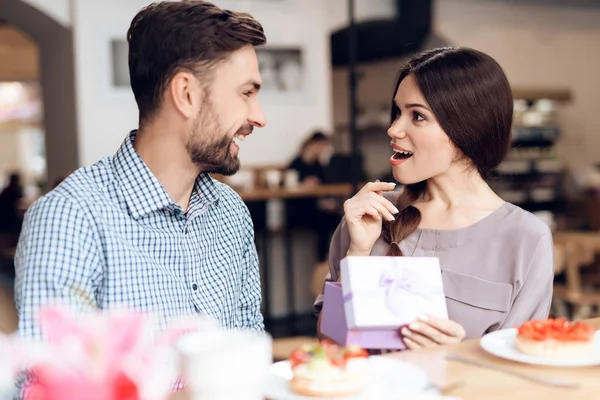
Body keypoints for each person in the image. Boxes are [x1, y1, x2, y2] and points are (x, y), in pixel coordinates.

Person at [15, 0, 268, 341]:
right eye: (246, 93)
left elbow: (248, 346)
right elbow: (49, 385)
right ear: (186, 94)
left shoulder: (231, 213)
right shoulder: (70, 218)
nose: (259, 116)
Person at [315, 47, 554, 349]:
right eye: (398, 112)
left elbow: (520, 375)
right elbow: (329, 345)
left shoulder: (526, 238)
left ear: (467, 128)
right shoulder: (367, 216)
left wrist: (460, 357)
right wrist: (357, 253)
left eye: (417, 116)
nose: (393, 129)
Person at [287, 132, 340, 262]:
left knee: (338, 219)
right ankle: (322, 261)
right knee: (324, 221)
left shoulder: (318, 165)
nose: (323, 149)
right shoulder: (296, 164)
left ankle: (333, 259)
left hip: (317, 206)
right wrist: (303, 185)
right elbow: (290, 190)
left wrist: (325, 203)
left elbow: (325, 186)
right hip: (301, 210)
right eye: (322, 146)